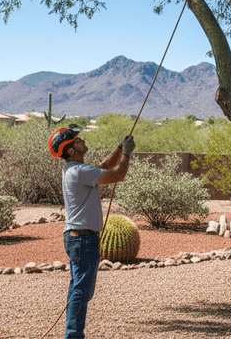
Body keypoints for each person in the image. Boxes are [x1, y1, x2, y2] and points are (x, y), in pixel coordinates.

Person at [48, 125, 135, 339]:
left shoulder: (76, 170)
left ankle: (72, 333)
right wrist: (127, 152)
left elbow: (105, 165)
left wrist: (118, 147)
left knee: (78, 289)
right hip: (83, 239)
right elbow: (118, 174)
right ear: (70, 150)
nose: (82, 140)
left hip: (78, 238)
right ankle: (73, 336)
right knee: (81, 292)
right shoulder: (80, 172)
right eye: (77, 140)